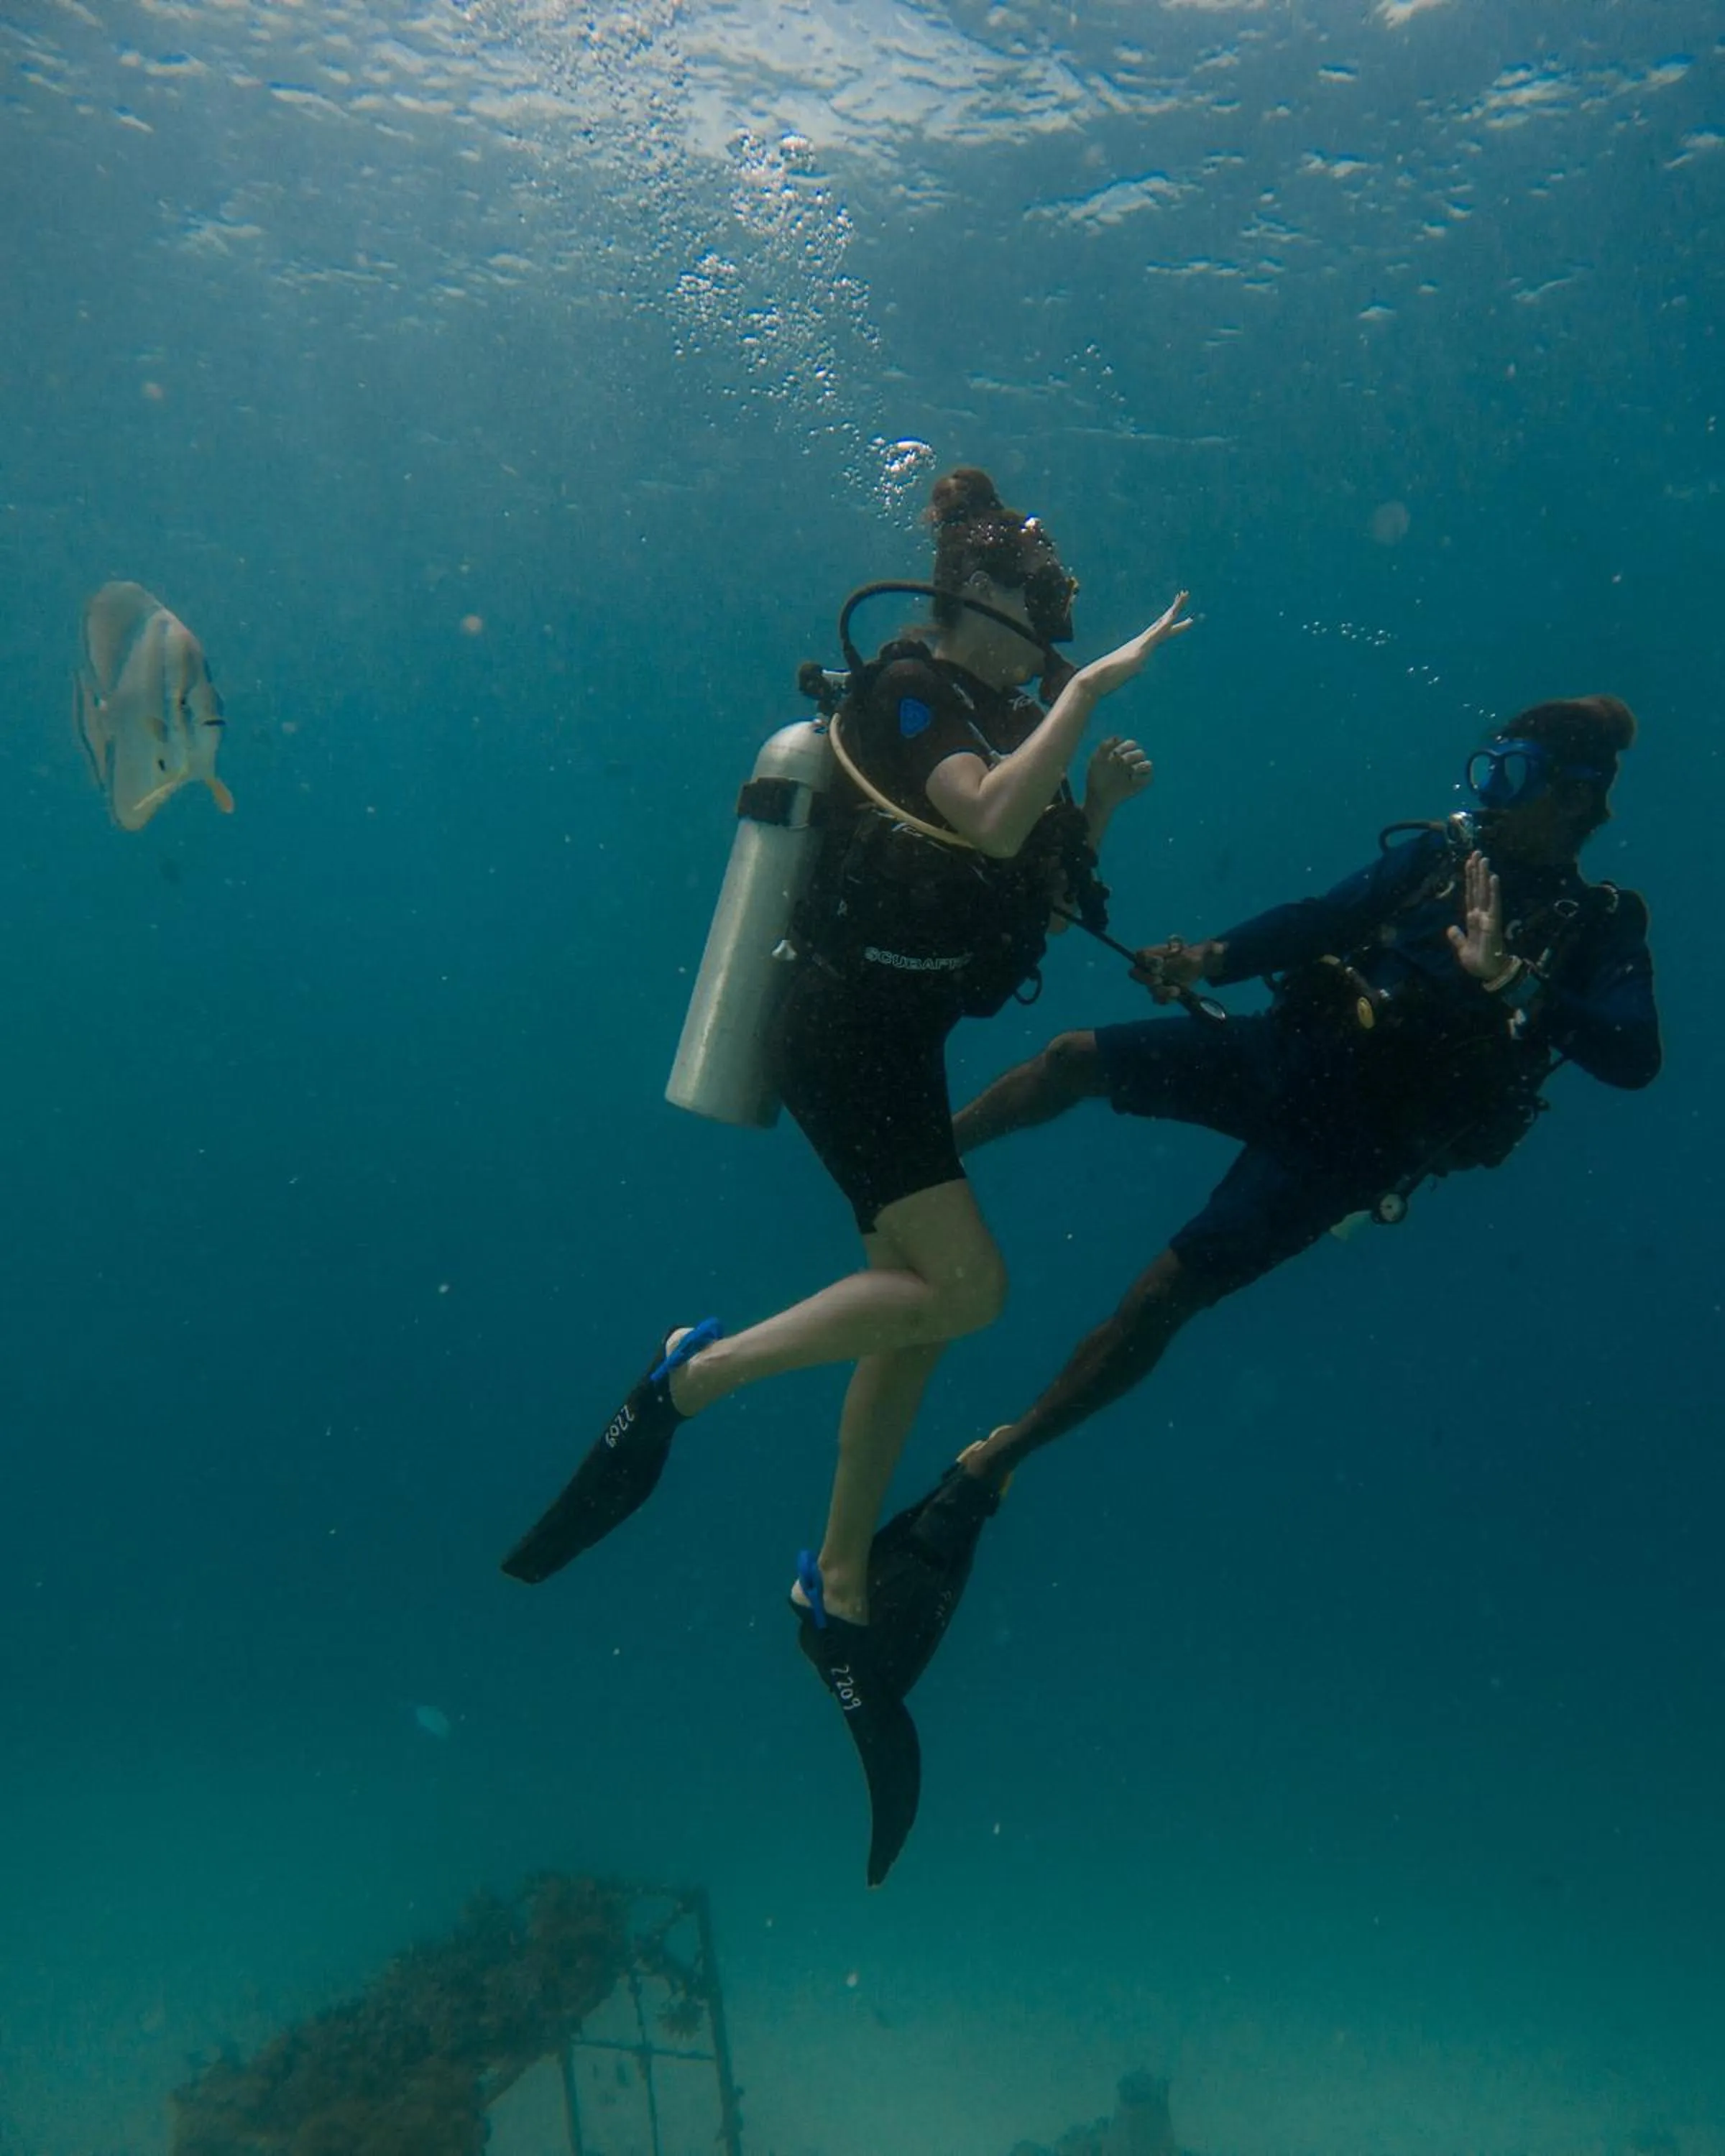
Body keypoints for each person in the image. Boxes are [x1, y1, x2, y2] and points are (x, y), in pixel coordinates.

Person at [500, 466, 1192, 1881]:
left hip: (909, 1029)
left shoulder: (1000, 714)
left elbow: (1034, 886)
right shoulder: (910, 698)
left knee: (924, 1301)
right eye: (1042, 607)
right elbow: (992, 821)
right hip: (848, 1034)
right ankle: (688, 1377)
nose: (1059, 628)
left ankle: (844, 1581)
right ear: (976, 601)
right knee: (969, 1291)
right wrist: (1096, 696)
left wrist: (1100, 802)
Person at [873, 694, 1662, 1680]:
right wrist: (1210, 958)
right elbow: (1323, 918)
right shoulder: (1439, 858)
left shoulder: (1598, 923)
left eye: (1516, 777)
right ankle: (903, 1166)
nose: (1490, 796)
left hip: (1352, 1146)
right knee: (1072, 1057)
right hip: (1284, 1053)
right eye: (1489, 767)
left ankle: (989, 1469)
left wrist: (1514, 981)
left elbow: (1635, 1055)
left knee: (1163, 1296)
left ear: (1576, 800)